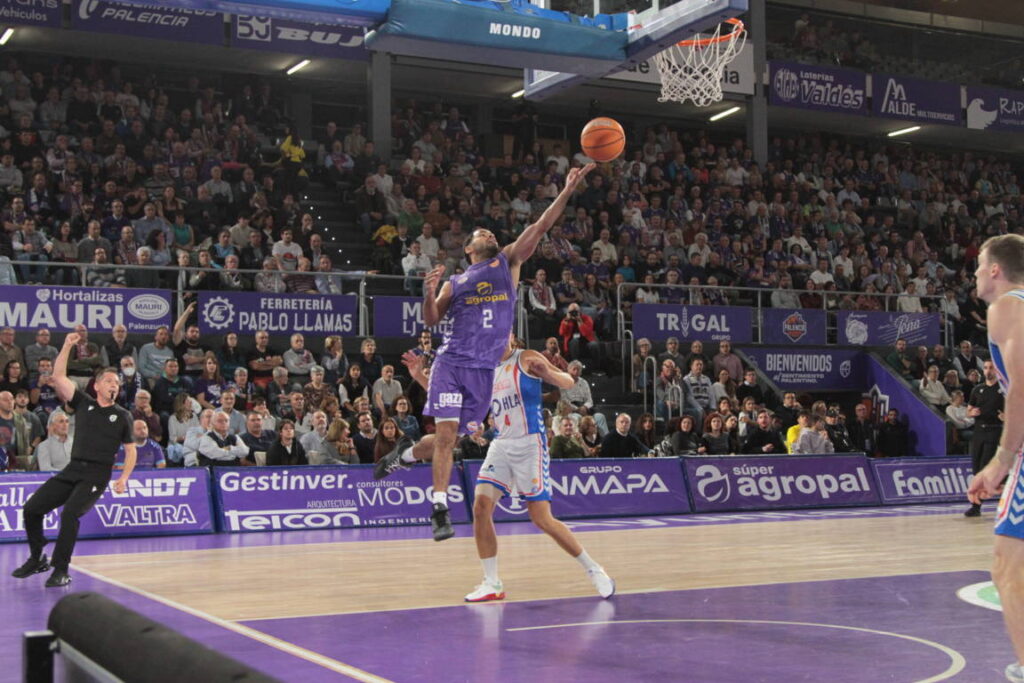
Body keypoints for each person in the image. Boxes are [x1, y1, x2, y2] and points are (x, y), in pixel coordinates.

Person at [420, 162, 595, 541]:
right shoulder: (456, 281)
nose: (487, 232)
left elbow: (542, 225)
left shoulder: (508, 261)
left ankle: (403, 456)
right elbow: (432, 319)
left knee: (463, 435)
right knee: (447, 436)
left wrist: (566, 190)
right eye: (480, 232)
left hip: (483, 370)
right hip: (451, 361)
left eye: (490, 230)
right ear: (468, 249)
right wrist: (427, 292)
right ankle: (438, 508)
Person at [377, 338, 614, 601]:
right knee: (480, 508)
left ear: (510, 335)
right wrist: (419, 375)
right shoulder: (484, 370)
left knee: (541, 519)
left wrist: (549, 373)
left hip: (530, 444)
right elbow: (454, 400)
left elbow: (567, 382)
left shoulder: (526, 358)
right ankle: (492, 582)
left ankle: (594, 569)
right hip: (501, 444)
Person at [12, 332, 135, 588]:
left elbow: (130, 450)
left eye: (117, 384)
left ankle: (61, 569)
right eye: (110, 382)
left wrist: (123, 477)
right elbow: (58, 377)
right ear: (97, 385)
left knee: (69, 515)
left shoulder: (123, 416)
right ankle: (37, 558)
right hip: (72, 469)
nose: (114, 386)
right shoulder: (84, 404)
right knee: (32, 509)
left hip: (96, 474)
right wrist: (67, 345)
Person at [966, 361, 1004, 516]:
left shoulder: (1003, 389)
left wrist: (1006, 417)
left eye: (991, 368)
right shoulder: (977, 389)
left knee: (984, 468)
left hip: (994, 431)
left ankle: (976, 506)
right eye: (986, 368)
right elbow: (969, 409)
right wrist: (971, 413)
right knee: (976, 468)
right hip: (978, 432)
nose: (988, 371)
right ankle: (976, 504)